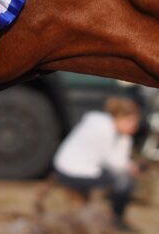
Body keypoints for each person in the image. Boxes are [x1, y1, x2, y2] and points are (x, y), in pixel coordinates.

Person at [52, 97, 142, 232]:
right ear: (118, 117)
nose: (134, 125)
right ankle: (116, 219)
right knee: (123, 182)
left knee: (120, 178)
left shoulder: (120, 134)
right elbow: (112, 161)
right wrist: (130, 167)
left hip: (82, 168)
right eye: (130, 121)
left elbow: (117, 160)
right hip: (71, 170)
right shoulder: (101, 128)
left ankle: (110, 216)